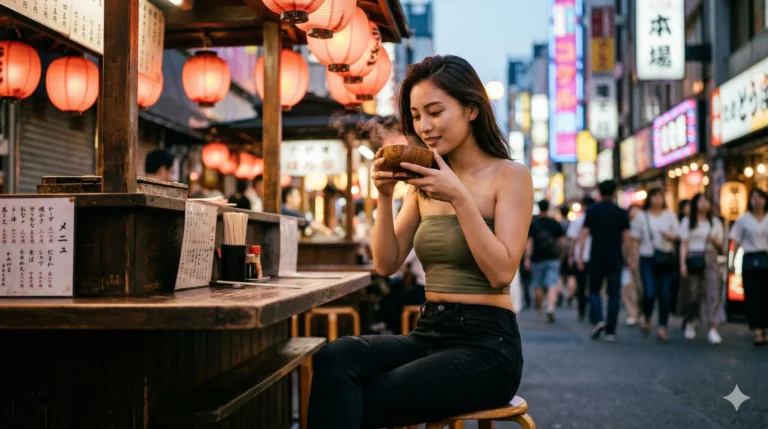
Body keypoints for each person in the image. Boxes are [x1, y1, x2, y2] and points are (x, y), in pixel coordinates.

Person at [307, 55, 531, 428]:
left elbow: (500, 271)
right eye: (415, 115)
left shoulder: (510, 176)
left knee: (374, 394)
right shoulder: (422, 183)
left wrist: (458, 197)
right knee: (336, 356)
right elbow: (385, 264)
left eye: (435, 111)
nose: (424, 126)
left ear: (472, 109)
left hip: (488, 346)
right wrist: (382, 196)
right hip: (429, 332)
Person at [576, 180, 630, 341]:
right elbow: (626, 237)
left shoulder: (592, 210)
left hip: (596, 256)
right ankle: (611, 331)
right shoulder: (621, 212)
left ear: (599, 192)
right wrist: (627, 256)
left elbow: (584, 234)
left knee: (594, 290)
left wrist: (580, 256)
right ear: (614, 193)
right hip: (615, 256)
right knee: (614, 294)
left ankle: (598, 319)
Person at [631, 188, 679, 342]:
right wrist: (633, 260)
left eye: (660, 196)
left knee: (665, 294)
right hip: (647, 258)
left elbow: (679, 235)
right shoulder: (641, 216)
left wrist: (669, 236)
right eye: (655, 196)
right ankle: (647, 316)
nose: (657, 200)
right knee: (649, 292)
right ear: (649, 199)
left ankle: (662, 327)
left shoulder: (670, 216)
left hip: (666, 258)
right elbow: (635, 240)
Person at [678, 193, 725, 344]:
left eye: (706, 201)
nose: (703, 204)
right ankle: (691, 320)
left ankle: (713, 328)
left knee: (713, 292)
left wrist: (714, 239)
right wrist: (682, 263)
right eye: (700, 201)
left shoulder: (715, 222)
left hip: (710, 258)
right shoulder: (687, 221)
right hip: (693, 258)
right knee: (693, 294)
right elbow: (684, 244)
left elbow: (720, 245)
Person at [729, 187, 768, 346]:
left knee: (766, 295)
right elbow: (736, 241)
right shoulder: (743, 220)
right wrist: (732, 262)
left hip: (765, 257)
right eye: (754, 197)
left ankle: (765, 327)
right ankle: (757, 330)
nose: (757, 201)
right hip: (750, 259)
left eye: (760, 197)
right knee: (752, 296)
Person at [525, 200, 566, 322]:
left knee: (537, 283)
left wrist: (527, 258)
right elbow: (562, 242)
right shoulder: (554, 223)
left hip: (537, 258)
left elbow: (529, 243)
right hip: (553, 257)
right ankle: (551, 307)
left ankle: (540, 308)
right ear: (548, 208)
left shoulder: (534, 224)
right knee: (552, 283)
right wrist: (561, 255)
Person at [566, 196, 595, 321]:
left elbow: (572, 240)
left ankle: (582, 311)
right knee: (594, 286)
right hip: (594, 257)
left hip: (581, 258)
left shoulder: (578, 220)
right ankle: (593, 312)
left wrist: (571, 255)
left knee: (582, 285)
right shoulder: (595, 218)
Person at [623, 204, 644, 326]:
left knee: (641, 288)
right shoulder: (626, 225)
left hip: (643, 259)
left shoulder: (644, 223)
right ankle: (633, 313)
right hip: (630, 259)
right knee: (628, 288)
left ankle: (640, 313)